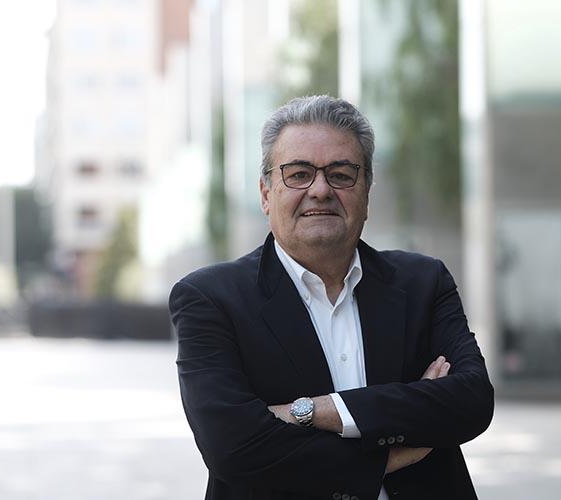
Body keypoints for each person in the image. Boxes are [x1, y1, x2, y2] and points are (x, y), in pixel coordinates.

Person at [169, 95, 494, 500]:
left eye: (340, 174)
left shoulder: (424, 282)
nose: (320, 190)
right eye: (299, 174)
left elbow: (472, 401)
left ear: (367, 192)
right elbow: (233, 447)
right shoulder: (209, 298)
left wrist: (313, 411)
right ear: (266, 194)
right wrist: (393, 451)